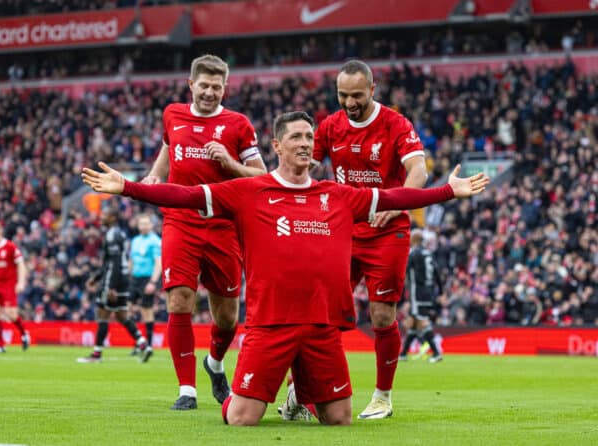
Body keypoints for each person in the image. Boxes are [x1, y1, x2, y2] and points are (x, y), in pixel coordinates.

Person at [81, 111, 489, 425]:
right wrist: (130, 188)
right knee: (243, 418)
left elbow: (398, 199)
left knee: (339, 419)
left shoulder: (339, 195)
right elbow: (186, 195)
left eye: (310, 137)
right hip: (269, 326)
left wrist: (449, 191)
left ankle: (296, 397)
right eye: (296, 136)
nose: (306, 143)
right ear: (276, 144)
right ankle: (241, 392)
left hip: (322, 327)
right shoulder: (248, 191)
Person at [142, 54, 267, 409]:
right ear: (191, 84)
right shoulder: (173, 114)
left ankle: (214, 363)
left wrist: (229, 163)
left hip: (224, 224)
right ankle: (187, 390)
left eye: (217, 86)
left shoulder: (238, 124)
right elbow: (168, 150)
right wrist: (155, 174)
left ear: (224, 88)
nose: (210, 92)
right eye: (204, 85)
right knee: (179, 299)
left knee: (226, 317)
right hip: (180, 219)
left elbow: (262, 175)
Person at [311, 59, 429, 419]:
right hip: (344, 229)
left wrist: (394, 206)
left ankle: (382, 396)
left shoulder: (395, 124)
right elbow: (306, 169)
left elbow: (418, 170)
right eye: (343, 95)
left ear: (373, 90)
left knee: (381, 314)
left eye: (357, 95)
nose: (349, 103)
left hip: (387, 230)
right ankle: (305, 390)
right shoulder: (330, 126)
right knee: (320, 311)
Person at [77, 207, 149, 363]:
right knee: (121, 315)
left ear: (113, 217)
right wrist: (96, 278)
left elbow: (114, 262)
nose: (101, 217)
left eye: (105, 215)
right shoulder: (121, 233)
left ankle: (96, 355)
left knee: (102, 315)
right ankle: (142, 343)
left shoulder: (111, 235)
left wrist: (110, 286)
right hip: (124, 279)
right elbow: (113, 261)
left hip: (113, 280)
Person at [399, 229, 443, 363]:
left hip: (417, 293)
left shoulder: (414, 253)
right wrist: (440, 291)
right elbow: (437, 272)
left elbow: (403, 271)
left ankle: (436, 352)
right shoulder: (428, 254)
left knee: (422, 321)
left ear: (414, 240)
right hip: (428, 292)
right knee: (414, 321)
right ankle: (403, 354)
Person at [128, 214, 162, 362]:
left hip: (147, 279)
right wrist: (127, 277)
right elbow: (131, 260)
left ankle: (148, 344)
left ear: (151, 225)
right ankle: (139, 341)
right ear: (138, 225)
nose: (144, 226)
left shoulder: (155, 241)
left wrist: (153, 282)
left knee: (146, 310)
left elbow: (158, 262)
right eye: (141, 224)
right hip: (134, 279)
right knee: (126, 309)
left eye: (146, 223)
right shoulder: (135, 241)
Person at [0, 221, 29, 352]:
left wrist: (21, 282)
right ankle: (0, 344)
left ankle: (24, 334)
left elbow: (21, 264)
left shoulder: (10, 246)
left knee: (12, 315)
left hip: (8, 284)